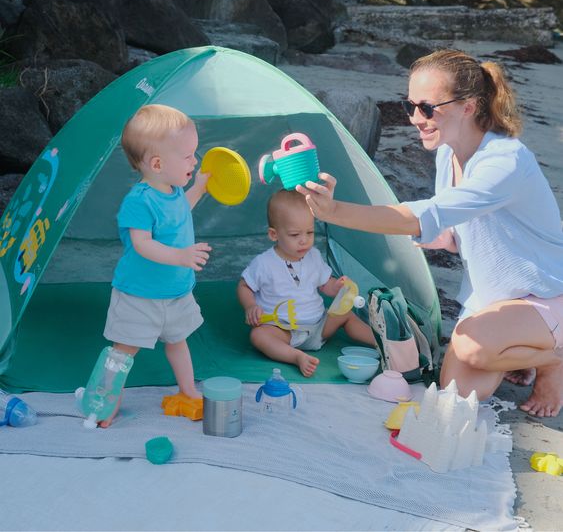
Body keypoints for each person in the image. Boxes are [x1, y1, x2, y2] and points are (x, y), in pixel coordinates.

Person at [297, 49, 563, 417]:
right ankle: (516, 347)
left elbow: (430, 213)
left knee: (474, 349)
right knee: (455, 393)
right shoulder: (447, 154)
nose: (416, 119)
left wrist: (335, 211)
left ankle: (553, 361)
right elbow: (459, 230)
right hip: (495, 298)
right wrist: (441, 238)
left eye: (427, 108)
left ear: (468, 106)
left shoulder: (505, 161)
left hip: (546, 291)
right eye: (410, 107)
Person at [96, 104, 212, 427]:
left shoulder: (173, 192)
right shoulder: (140, 200)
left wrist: (198, 188)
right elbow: (141, 243)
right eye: (188, 155)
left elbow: (179, 214)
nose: (195, 160)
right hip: (139, 295)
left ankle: (188, 389)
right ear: (157, 163)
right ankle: (106, 401)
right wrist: (181, 256)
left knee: (178, 342)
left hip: (174, 292)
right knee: (123, 351)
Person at [237, 189, 376, 377]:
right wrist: (250, 306)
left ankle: (381, 342)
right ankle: (296, 356)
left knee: (346, 314)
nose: (304, 241)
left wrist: (336, 287)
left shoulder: (313, 256)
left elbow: (325, 283)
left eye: (310, 232)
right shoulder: (264, 263)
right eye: (295, 235)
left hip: (319, 327)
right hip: (283, 330)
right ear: (274, 234)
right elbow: (244, 285)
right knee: (259, 335)